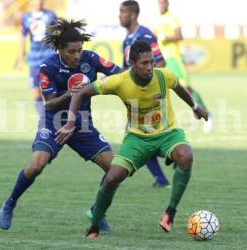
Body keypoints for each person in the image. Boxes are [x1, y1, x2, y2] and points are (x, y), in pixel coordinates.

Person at [55, 40, 208, 238]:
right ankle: (94, 226)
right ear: (133, 64)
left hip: (167, 133)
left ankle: (170, 213)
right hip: (137, 139)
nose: (150, 67)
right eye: (144, 63)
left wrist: (196, 107)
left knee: (186, 156)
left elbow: (178, 87)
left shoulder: (164, 76)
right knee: (111, 178)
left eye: (151, 62)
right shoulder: (120, 81)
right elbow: (81, 92)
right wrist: (70, 122)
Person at [0, 18, 122, 232]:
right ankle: (10, 203)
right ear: (60, 50)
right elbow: (50, 102)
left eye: (79, 51)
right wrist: (70, 93)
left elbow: (119, 74)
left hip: (82, 124)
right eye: (71, 51)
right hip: (54, 121)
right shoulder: (48, 66)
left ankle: (97, 211)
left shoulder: (91, 59)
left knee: (115, 170)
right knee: (36, 165)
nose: (76, 56)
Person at [119, 0, 170, 188]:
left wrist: (154, 91)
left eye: (122, 12)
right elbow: (126, 73)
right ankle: (162, 176)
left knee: (141, 140)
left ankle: (168, 164)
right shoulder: (126, 40)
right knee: (143, 140)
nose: (120, 16)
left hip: (149, 99)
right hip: (134, 100)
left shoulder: (146, 35)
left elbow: (160, 63)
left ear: (132, 15)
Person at [155, 0, 213, 133]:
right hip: (162, 59)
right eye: (159, 3)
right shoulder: (159, 19)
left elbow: (179, 35)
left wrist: (166, 37)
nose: (161, 6)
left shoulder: (172, 18)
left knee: (186, 88)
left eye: (163, 3)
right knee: (158, 88)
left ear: (167, 4)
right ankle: (158, 122)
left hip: (174, 59)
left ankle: (207, 115)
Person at [17, 0, 57, 116]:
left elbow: (58, 33)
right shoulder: (26, 18)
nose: (39, 2)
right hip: (34, 58)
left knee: (51, 88)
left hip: (49, 55)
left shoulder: (51, 15)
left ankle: (53, 115)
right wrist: (21, 59)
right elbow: (22, 38)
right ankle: (43, 117)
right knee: (36, 90)